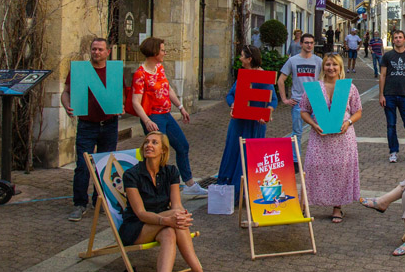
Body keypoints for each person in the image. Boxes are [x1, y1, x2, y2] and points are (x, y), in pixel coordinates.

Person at [119, 132, 209, 272]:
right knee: (175, 220)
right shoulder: (131, 175)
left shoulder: (171, 172)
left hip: (164, 224)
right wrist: (169, 219)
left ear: (163, 150)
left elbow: (176, 204)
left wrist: (179, 216)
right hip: (136, 227)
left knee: (170, 231)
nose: (148, 145)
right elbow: (141, 213)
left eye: (154, 143)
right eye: (146, 142)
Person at [131, 37, 206, 196]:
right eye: (162, 50)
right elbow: (135, 102)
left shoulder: (159, 68)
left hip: (166, 115)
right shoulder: (140, 74)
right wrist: (147, 120)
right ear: (154, 52)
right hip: (153, 117)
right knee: (158, 153)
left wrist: (180, 107)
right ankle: (155, 187)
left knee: (182, 146)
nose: (165, 53)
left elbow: (168, 88)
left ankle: (189, 184)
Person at [298, 53, 362, 223]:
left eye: (335, 65)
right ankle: (304, 205)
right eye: (328, 64)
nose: (331, 68)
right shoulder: (314, 88)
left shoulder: (349, 88)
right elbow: (303, 110)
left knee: (340, 172)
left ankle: (337, 208)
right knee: (312, 168)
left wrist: (348, 122)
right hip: (320, 137)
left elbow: (358, 111)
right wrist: (313, 124)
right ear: (323, 67)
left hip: (343, 138)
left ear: (340, 67)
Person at [62, 37, 121, 221]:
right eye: (94, 49)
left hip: (109, 124)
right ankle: (80, 204)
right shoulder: (81, 71)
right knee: (82, 165)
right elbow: (66, 92)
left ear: (107, 52)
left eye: (100, 50)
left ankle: (100, 201)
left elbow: (123, 94)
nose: (96, 52)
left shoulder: (113, 72)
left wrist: (123, 105)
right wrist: (67, 106)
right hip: (87, 125)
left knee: (105, 166)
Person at [216, 46, 278, 203]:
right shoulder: (242, 75)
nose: (240, 59)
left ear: (249, 59)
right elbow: (230, 95)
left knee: (250, 156)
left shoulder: (262, 76)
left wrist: (267, 112)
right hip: (238, 122)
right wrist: (233, 105)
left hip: (255, 124)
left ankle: (243, 193)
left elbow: (273, 100)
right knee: (232, 152)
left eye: (242, 56)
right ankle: (228, 191)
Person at [277, 33, 323, 170]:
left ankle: (317, 159)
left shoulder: (318, 61)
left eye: (311, 43)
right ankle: (295, 161)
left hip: (315, 101)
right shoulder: (293, 61)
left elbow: (325, 79)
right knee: (297, 132)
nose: (309, 45)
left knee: (319, 130)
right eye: (307, 42)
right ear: (301, 44)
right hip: (297, 101)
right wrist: (284, 99)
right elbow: (280, 80)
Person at [379, 30, 405, 163]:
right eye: (395, 38)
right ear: (393, 40)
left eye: (400, 37)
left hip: (404, 96)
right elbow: (383, 75)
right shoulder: (388, 56)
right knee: (391, 125)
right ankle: (393, 151)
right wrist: (381, 94)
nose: (398, 40)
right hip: (389, 95)